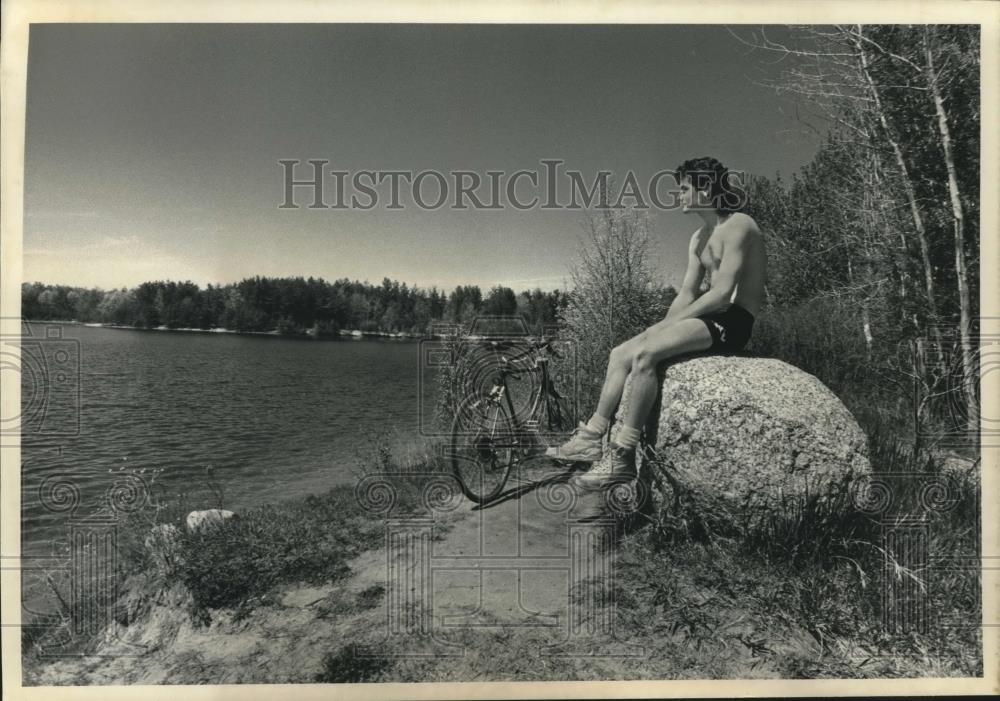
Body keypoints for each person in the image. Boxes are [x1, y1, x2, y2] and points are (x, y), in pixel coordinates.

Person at [545, 156, 767, 487]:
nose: (677, 195)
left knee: (646, 355)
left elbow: (722, 293)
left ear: (704, 188)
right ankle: (592, 436)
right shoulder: (698, 238)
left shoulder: (740, 225)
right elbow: (686, 293)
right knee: (621, 352)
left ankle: (622, 457)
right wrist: (660, 325)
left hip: (734, 320)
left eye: (683, 189)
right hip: (710, 315)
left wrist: (662, 332)